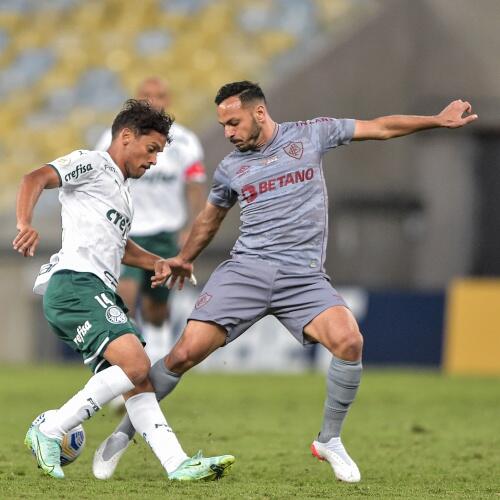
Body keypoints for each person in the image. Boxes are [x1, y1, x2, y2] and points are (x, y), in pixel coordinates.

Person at [93, 82, 478, 483]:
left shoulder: (311, 134)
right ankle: (124, 433)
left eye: (234, 122)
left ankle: (329, 440)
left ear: (259, 113)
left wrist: (436, 120)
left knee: (350, 342)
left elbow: (380, 127)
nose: (228, 132)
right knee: (182, 356)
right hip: (246, 272)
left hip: (303, 276)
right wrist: (184, 259)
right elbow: (210, 218)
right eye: (223, 125)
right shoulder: (230, 168)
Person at [13, 99, 234, 481]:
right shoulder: (94, 164)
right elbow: (34, 178)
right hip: (75, 284)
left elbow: (121, 246)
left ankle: (177, 463)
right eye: (151, 149)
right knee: (135, 365)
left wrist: (159, 263)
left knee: (138, 381)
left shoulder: (123, 193)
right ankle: (49, 430)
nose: (154, 161)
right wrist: (24, 223)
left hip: (95, 288)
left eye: (160, 154)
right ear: (126, 137)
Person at [95, 76, 206, 364]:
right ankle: (125, 368)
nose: (152, 100)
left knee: (157, 310)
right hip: (126, 232)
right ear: (137, 98)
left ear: (167, 101)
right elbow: (102, 183)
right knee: (124, 300)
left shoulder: (185, 141)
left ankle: (156, 361)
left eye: (158, 95)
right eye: (146, 94)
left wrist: (190, 228)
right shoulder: (115, 137)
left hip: (166, 234)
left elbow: (194, 187)